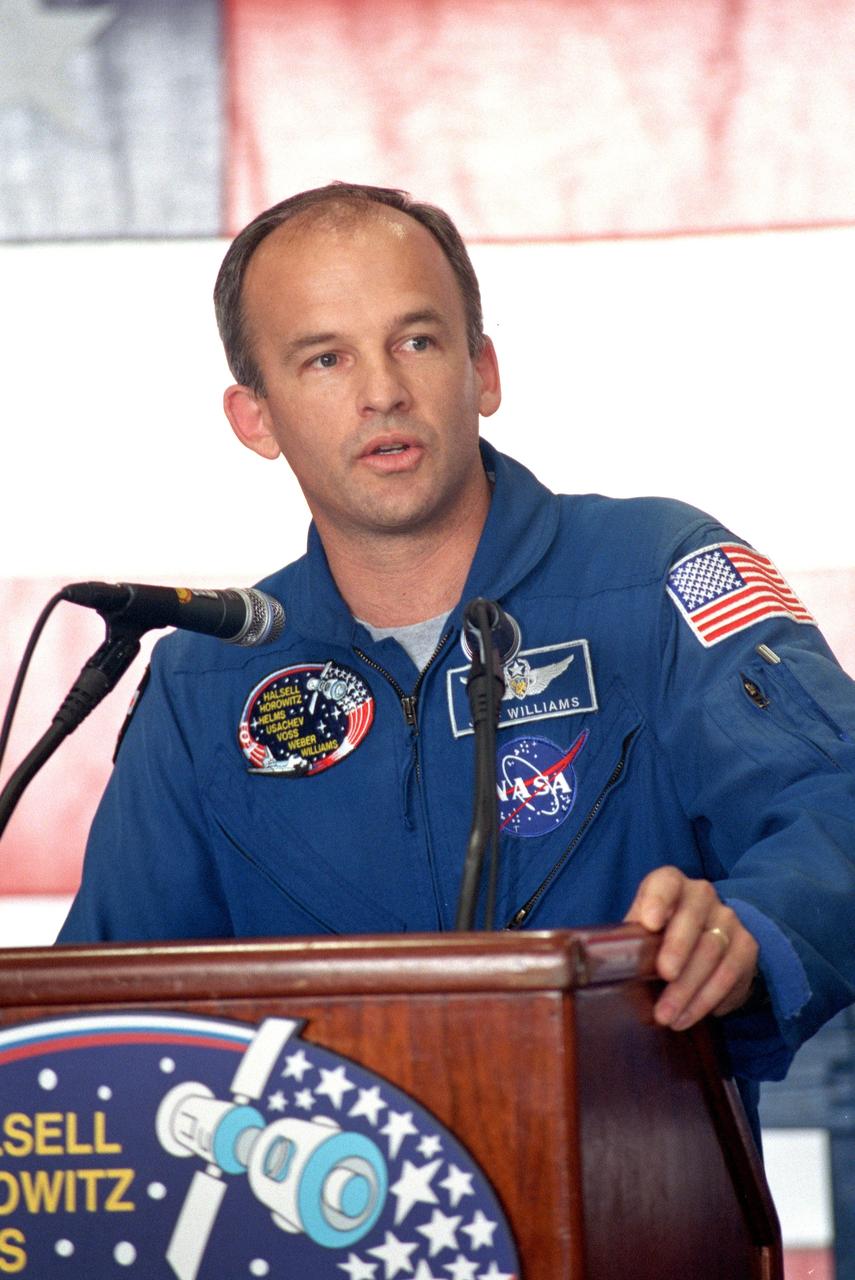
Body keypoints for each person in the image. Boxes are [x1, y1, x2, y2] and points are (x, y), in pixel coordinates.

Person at [58, 183, 855, 1135]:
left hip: (629, 1202)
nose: (381, 391)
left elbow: (836, 801)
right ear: (256, 419)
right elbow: (111, 1015)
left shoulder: (655, 575)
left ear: (482, 371)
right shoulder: (203, 683)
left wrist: (748, 933)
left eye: (417, 341)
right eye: (324, 358)